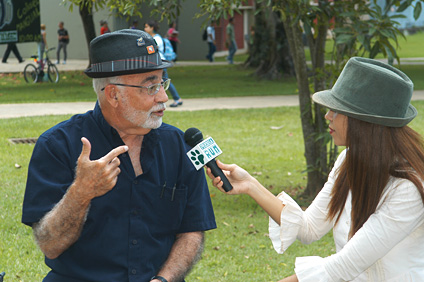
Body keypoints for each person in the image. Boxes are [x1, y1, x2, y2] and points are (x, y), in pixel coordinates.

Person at [22, 29, 216, 282]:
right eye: (151, 86)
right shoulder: (57, 145)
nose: (163, 97)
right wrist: (81, 192)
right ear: (113, 94)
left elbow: (192, 230)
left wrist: (163, 279)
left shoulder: (179, 145)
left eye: (163, 83)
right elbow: (50, 245)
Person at [207, 57, 424, 281]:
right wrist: (250, 185)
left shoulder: (408, 188)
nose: (328, 115)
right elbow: (308, 228)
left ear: (365, 123)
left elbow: (343, 267)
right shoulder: (348, 161)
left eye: (337, 110)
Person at [144, 20, 183, 108]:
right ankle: (176, 98)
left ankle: (177, 99)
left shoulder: (156, 39)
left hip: (159, 63)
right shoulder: (153, 37)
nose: (145, 29)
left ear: (152, 28)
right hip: (157, 63)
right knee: (161, 81)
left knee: (164, 81)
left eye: (146, 27)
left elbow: (151, 50)